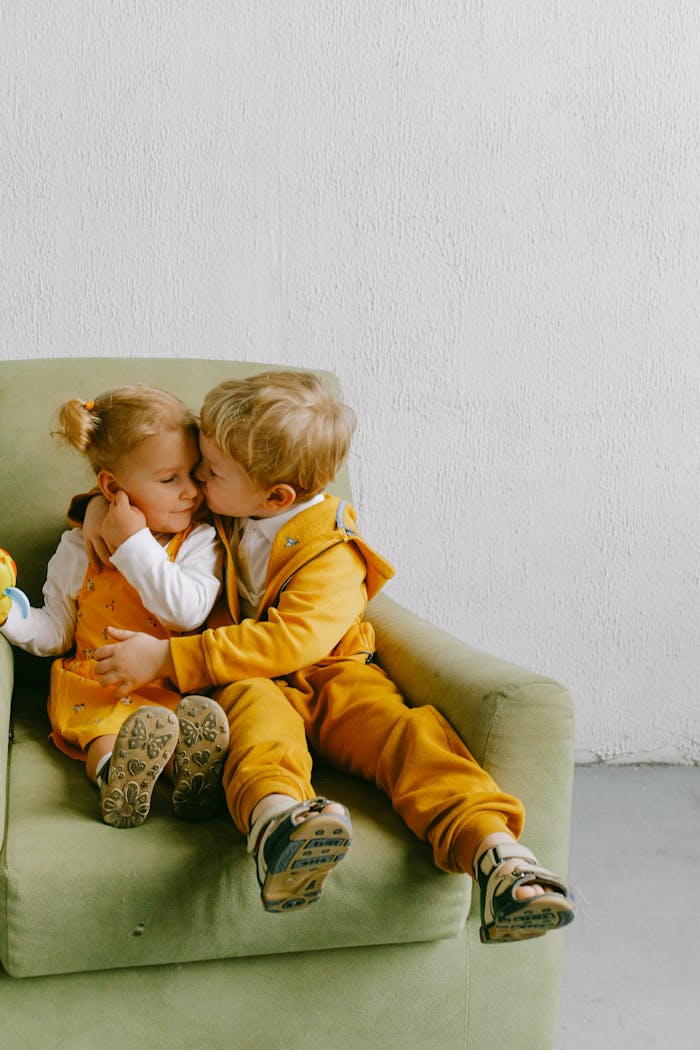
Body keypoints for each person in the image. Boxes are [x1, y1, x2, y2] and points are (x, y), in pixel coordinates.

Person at [85, 370, 574, 942]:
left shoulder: (332, 549)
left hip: (334, 674)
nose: (195, 481)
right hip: (253, 680)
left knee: (406, 735)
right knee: (259, 732)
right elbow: (147, 495)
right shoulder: (227, 506)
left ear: (276, 497)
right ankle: (278, 828)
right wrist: (98, 508)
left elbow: (291, 642)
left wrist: (171, 658)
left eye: (209, 471)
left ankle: (499, 857)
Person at [0, 385, 228, 830]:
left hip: (170, 681)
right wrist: (11, 616)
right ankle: (116, 778)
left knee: (173, 728)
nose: (191, 492)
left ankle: (190, 777)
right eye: (169, 479)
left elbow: (185, 612)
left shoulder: (199, 541)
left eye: (194, 473)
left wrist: (134, 542)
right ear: (111, 487)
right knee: (107, 736)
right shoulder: (77, 548)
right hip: (97, 682)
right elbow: (57, 631)